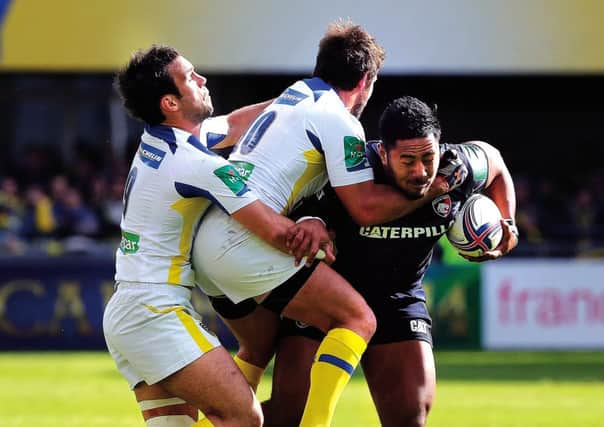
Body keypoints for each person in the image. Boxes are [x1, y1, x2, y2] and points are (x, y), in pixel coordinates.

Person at [192, 21, 459, 426]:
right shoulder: (340, 121)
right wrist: (435, 189)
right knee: (358, 319)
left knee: (257, 350)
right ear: (366, 80)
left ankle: (221, 421)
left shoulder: (292, 95)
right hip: (243, 242)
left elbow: (229, 128)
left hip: (210, 240)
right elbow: (366, 208)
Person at [102, 45, 332, 427]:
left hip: (131, 308)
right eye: (190, 77)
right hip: (155, 311)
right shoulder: (195, 164)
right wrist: (319, 228)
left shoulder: (163, 140)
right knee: (243, 416)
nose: (202, 80)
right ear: (170, 103)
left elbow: (238, 123)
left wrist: (297, 96)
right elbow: (275, 231)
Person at [265, 96, 519, 426]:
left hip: (398, 299)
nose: (421, 171)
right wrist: (310, 218)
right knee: (290, 415)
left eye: (428, 157)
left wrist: (508, 222)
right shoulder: (351, 169)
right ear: (383, 153)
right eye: (408, 160)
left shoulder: (459, 167)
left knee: (410, 415)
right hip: (328, 298)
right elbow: (299, 197)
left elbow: (495, 162)